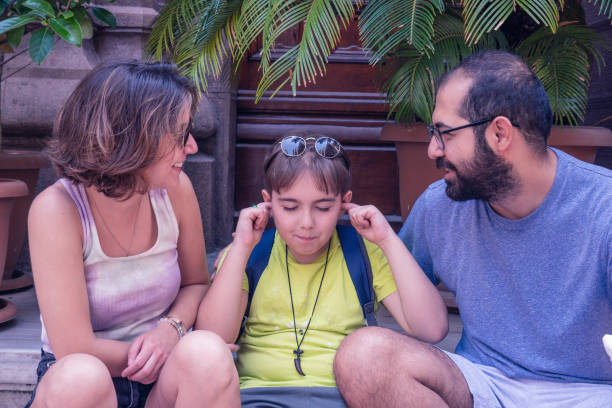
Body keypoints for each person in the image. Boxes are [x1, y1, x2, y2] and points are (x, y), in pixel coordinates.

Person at [333, 50, 612, 407]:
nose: (433, 149)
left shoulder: (602, 210)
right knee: (364, 355)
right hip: (481, 384)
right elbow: (385, 291)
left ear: (499, 133)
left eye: (444, 133)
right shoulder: (439, 207)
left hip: (591, 394)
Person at [26, 60, 240, 408]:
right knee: (81, 376)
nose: (192, 148)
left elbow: (196, 284)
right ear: (133, 138)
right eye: (180, 135)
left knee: (206, 355)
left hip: (160, 380)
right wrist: (159, 352)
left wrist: (170, 332)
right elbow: (72, 348)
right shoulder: (57, 209)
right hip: (84, 383)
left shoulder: (176, 190)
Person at [196, 132, 448, 407]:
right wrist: (241, 249)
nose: (306, 222)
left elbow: (432, 329)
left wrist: (388, 240)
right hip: (259, 397)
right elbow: (213, 339)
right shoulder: (247, 254)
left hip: (344, 396)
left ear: (344, 203)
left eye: (324, 207)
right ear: (269, 203)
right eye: (290, 207)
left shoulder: (364, 252)